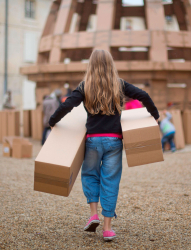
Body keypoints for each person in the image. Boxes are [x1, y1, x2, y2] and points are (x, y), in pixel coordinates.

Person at [48, 50, 159, 241]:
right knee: (110, 181)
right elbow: (144, 95)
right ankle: (107, 229)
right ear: (111, 64)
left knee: (90, 174)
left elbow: (67, 105)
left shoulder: (85, 86)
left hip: (92, 141)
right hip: (114, 141)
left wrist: (52, 120)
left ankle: (93, 215)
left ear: (91, 65)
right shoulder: (119, 84)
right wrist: (154, 115)